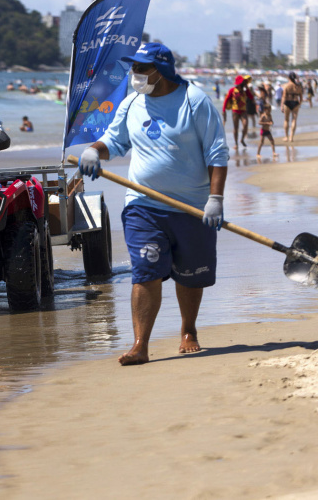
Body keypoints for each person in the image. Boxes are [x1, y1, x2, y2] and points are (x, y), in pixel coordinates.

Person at [76, 42, 229, 366]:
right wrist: (94, 150)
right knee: (145, 271)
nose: (135, 75)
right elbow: (114, 142)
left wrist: (215, 199)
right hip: (143, 205)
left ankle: (188, 330)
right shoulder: (132, 103)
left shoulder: (194, 101)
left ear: (161, 70)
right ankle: (140, 344)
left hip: (192, 208)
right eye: (133, 68)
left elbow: (217, 154)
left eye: (141, 68)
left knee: (190, 274)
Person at [222, 75, 252, 151]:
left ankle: (242, 139)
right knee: (236, 128)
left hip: (243, 111)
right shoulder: (232, 90)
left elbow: (251, 97)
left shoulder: (245, 90)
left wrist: (246, 87)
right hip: (235, 111)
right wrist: (223, 110)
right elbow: (226, 100)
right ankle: (236, 143)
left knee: (245, 125)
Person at [281, 72, 303, 143]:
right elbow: (301, 97)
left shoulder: (286, 86)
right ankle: (291, 137)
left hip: (287, 102)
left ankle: (286, 137)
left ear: (288, 78)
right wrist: (299, 104)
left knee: (286, 120)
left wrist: (281, 106)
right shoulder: (298, 86)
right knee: (294, 120)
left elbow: (284, 96)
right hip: (295, 102)